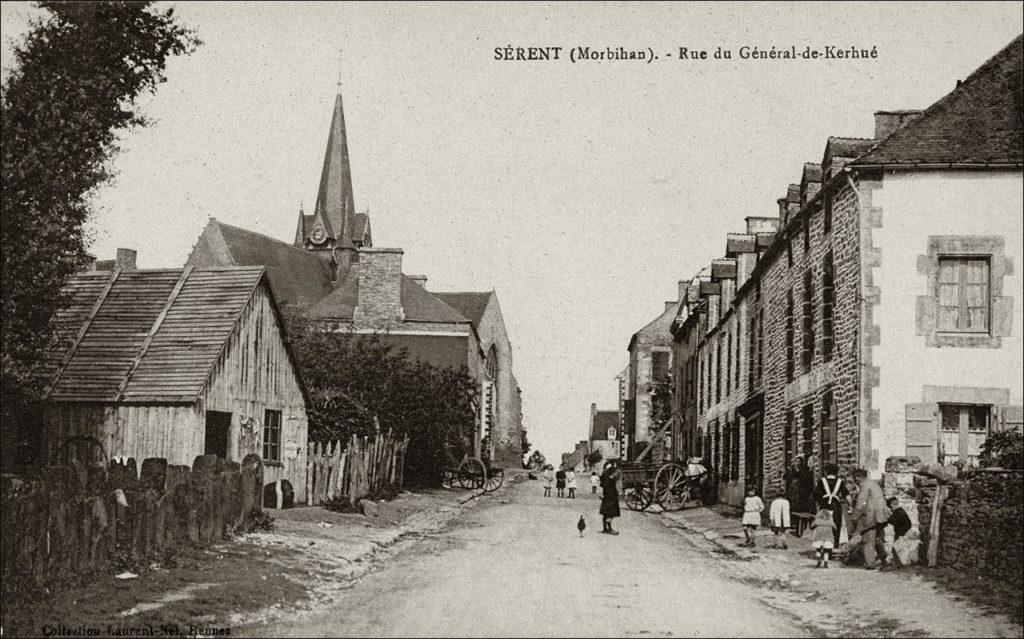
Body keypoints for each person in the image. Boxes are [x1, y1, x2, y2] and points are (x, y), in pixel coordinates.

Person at [849, 468, 891, 570]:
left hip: (871, 516)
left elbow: (860, 504)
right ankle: (885, 559)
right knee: (877, 539)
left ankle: (870, 563)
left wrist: (854, 519)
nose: (855, 481)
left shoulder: (865, 486)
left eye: (855, 479)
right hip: (881, 515)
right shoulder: (873, 483)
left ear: (858, 477)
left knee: (868, 539)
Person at [813, 463, 850, 547]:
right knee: (836, 524)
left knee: (823, 524)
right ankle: (835, 544)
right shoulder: (840, 482)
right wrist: (850, 505)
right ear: (836, 472)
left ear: (826, 472)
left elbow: (815, 494)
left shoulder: (822, 481)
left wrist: (820, 502)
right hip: (835, 506)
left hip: (825, 505)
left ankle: (823, 545)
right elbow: (846, 494)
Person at [881, 497, 914, 567]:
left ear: (892, 505)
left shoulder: (898, 513)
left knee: (897, 548)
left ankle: (896, 563)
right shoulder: (902, 511)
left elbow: (892, 521)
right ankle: (894, 562)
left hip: (900, 533)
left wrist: (888, 517)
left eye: (891, 508)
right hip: (902, 533)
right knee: (898, 548)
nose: (891, 509)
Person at [599, 461, 622, 535]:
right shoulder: (612, 473)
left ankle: (605, 528)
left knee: (606, 512)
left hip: (606, 494)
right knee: (611, 511)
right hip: (612, 494)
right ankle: (609, 527)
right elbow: (616, 480)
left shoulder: (604, 474)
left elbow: (602, 485)